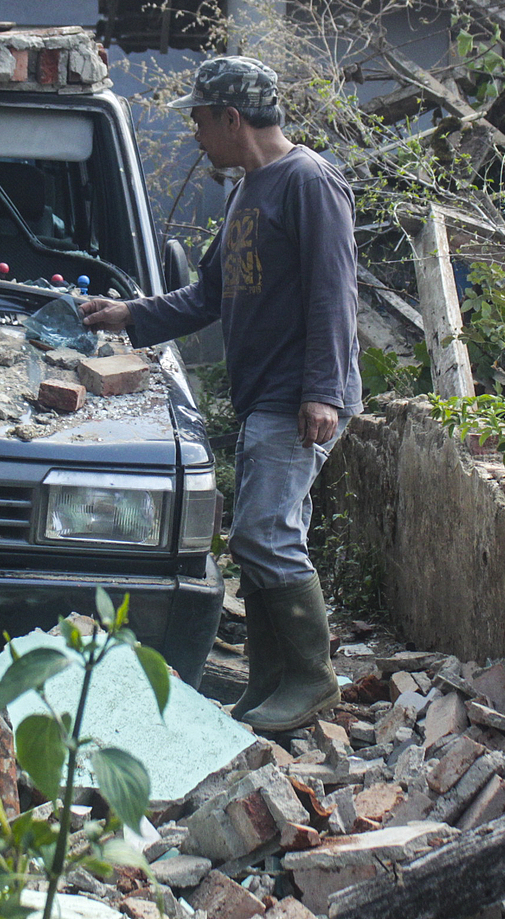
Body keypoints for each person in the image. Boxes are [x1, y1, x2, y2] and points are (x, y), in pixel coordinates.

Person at [80, 55, 361, 734]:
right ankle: (269, 686)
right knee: (259, 536)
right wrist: (132, 316)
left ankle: (311, 680)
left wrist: (323, 390)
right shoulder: (246, 190)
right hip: (266, 394)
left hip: (298, 395)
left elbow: (333, 293)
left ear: (231, 118)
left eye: (200, 120)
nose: (196, 135)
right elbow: (208, 293)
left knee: (268, 533)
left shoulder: (309, 182)